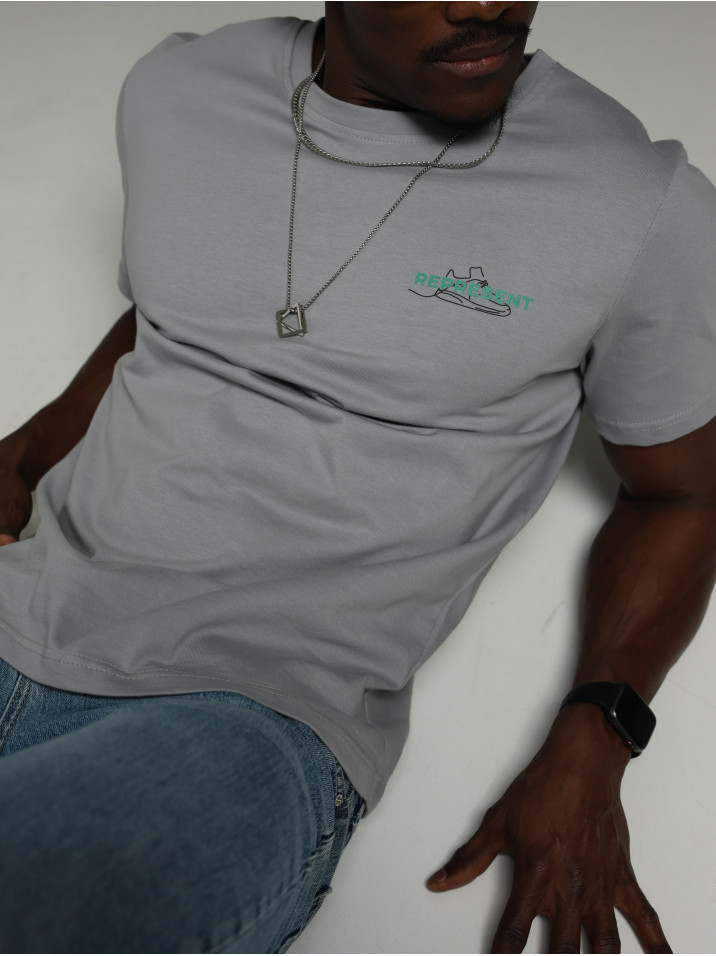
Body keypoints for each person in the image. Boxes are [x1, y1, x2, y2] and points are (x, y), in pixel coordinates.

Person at [0, 2, 714, 952]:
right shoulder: (180, 90)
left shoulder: (637, 201)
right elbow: (174, 311)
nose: (488, 3)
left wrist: (599, 732)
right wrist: (23, 454)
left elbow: (685, 491)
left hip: (249, 712)